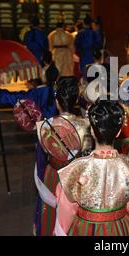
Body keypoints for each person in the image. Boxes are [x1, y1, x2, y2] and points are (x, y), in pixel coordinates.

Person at [54, 100, 129, 236]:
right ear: (118, 133)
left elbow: (66, 210)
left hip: (84, 229)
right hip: (120, 229)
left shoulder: (75, 169)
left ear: (92, 130)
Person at [33, 76, 94, 236]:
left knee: (52, 217)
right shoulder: (86, 126)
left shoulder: (44, 127)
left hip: (53, 177)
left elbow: (41, 160)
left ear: (57, 101)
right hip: (77, 180)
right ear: (76, 100)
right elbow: (87, 159)